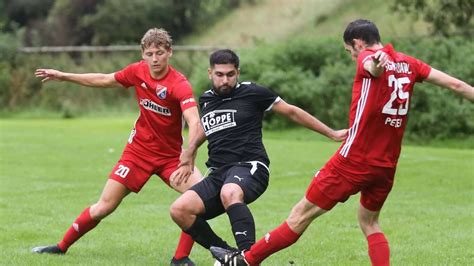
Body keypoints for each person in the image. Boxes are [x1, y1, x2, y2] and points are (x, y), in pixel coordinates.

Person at [210, 19, 474, 266]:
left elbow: (372, 67)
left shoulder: (367, 58)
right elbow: (458, 85)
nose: (352, 57)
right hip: (386, 165)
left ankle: (245, 260)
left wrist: (377, 64)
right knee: (369, 221)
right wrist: (380, 64)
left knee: (300, 215)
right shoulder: (410, 64)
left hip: (353, 160)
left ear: (358, 44)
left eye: (350, 51)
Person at [31, 28, 204, 266]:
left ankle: (180, 259)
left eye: (160, 53)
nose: (155, 59)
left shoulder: (179, 84)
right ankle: (61, 247)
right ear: (143, 54)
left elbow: (194, 120)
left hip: (171, 158)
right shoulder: (137, 71)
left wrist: (189, 152)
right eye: (150, 53)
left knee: (199, 197)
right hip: (137, 154)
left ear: (169, 53)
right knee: (103, 207)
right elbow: (104, 79)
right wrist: (64, 75)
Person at [169, 49, 347, 257]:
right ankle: (227, 254)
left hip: (250, 166)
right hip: (218, 173)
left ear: (238, 72)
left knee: (230, 192)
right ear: (210, 73)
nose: (225, 80)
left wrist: (331, 133)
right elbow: (209, 129)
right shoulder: (207, 99)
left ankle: (249, 257)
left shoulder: (253, 92)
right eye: (219, 75)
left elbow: (291, 111)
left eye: (230, 74)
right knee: (179, 210)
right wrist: (191, 151)